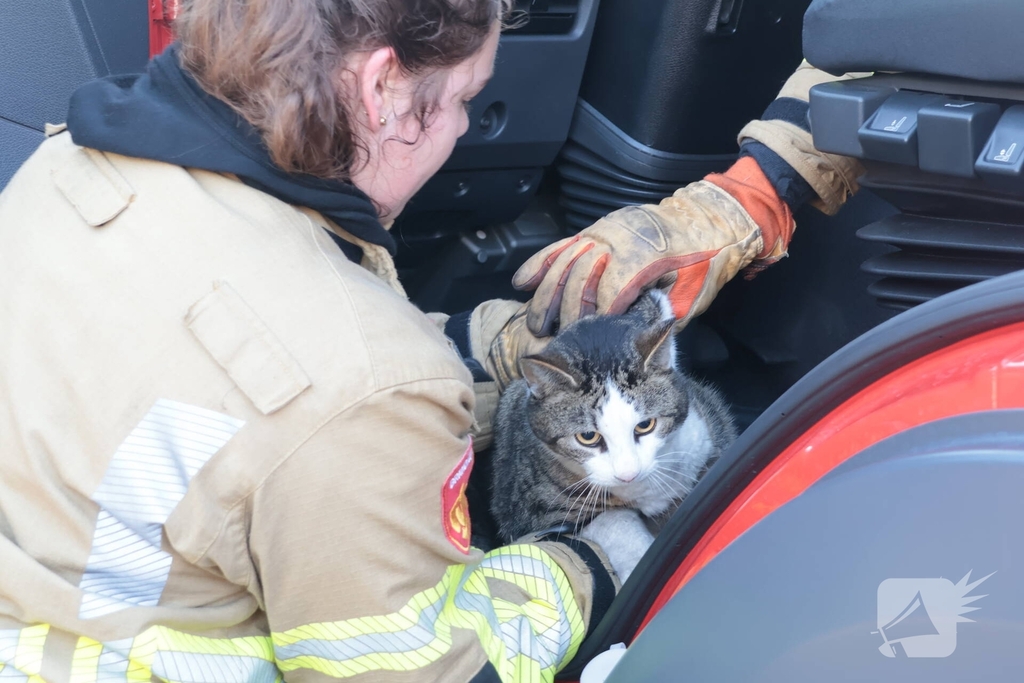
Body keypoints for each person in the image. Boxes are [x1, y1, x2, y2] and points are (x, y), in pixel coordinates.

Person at [0, 0, 860, 680]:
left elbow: (237, 392)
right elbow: (428, 669)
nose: (457, 132)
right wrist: (593, 561)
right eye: (461, 101)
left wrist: (494, 349)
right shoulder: (362, 383)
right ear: (381, 90)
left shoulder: (66, 166)